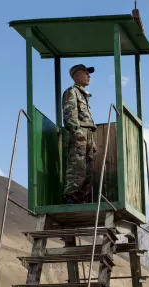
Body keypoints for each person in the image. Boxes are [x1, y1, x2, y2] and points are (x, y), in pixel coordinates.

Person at [62, 64, 98, 204]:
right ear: (76, 76)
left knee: (87, 168)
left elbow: (87, 119)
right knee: (77, 166)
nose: (89, 76)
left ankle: (81, 198)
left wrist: (92, 141)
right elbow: (70, 114)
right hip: (79, 132)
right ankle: (70, 197)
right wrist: (76, 131)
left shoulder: (84, 95)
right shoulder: (72, 92)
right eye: (85, 73)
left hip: (88, 133)